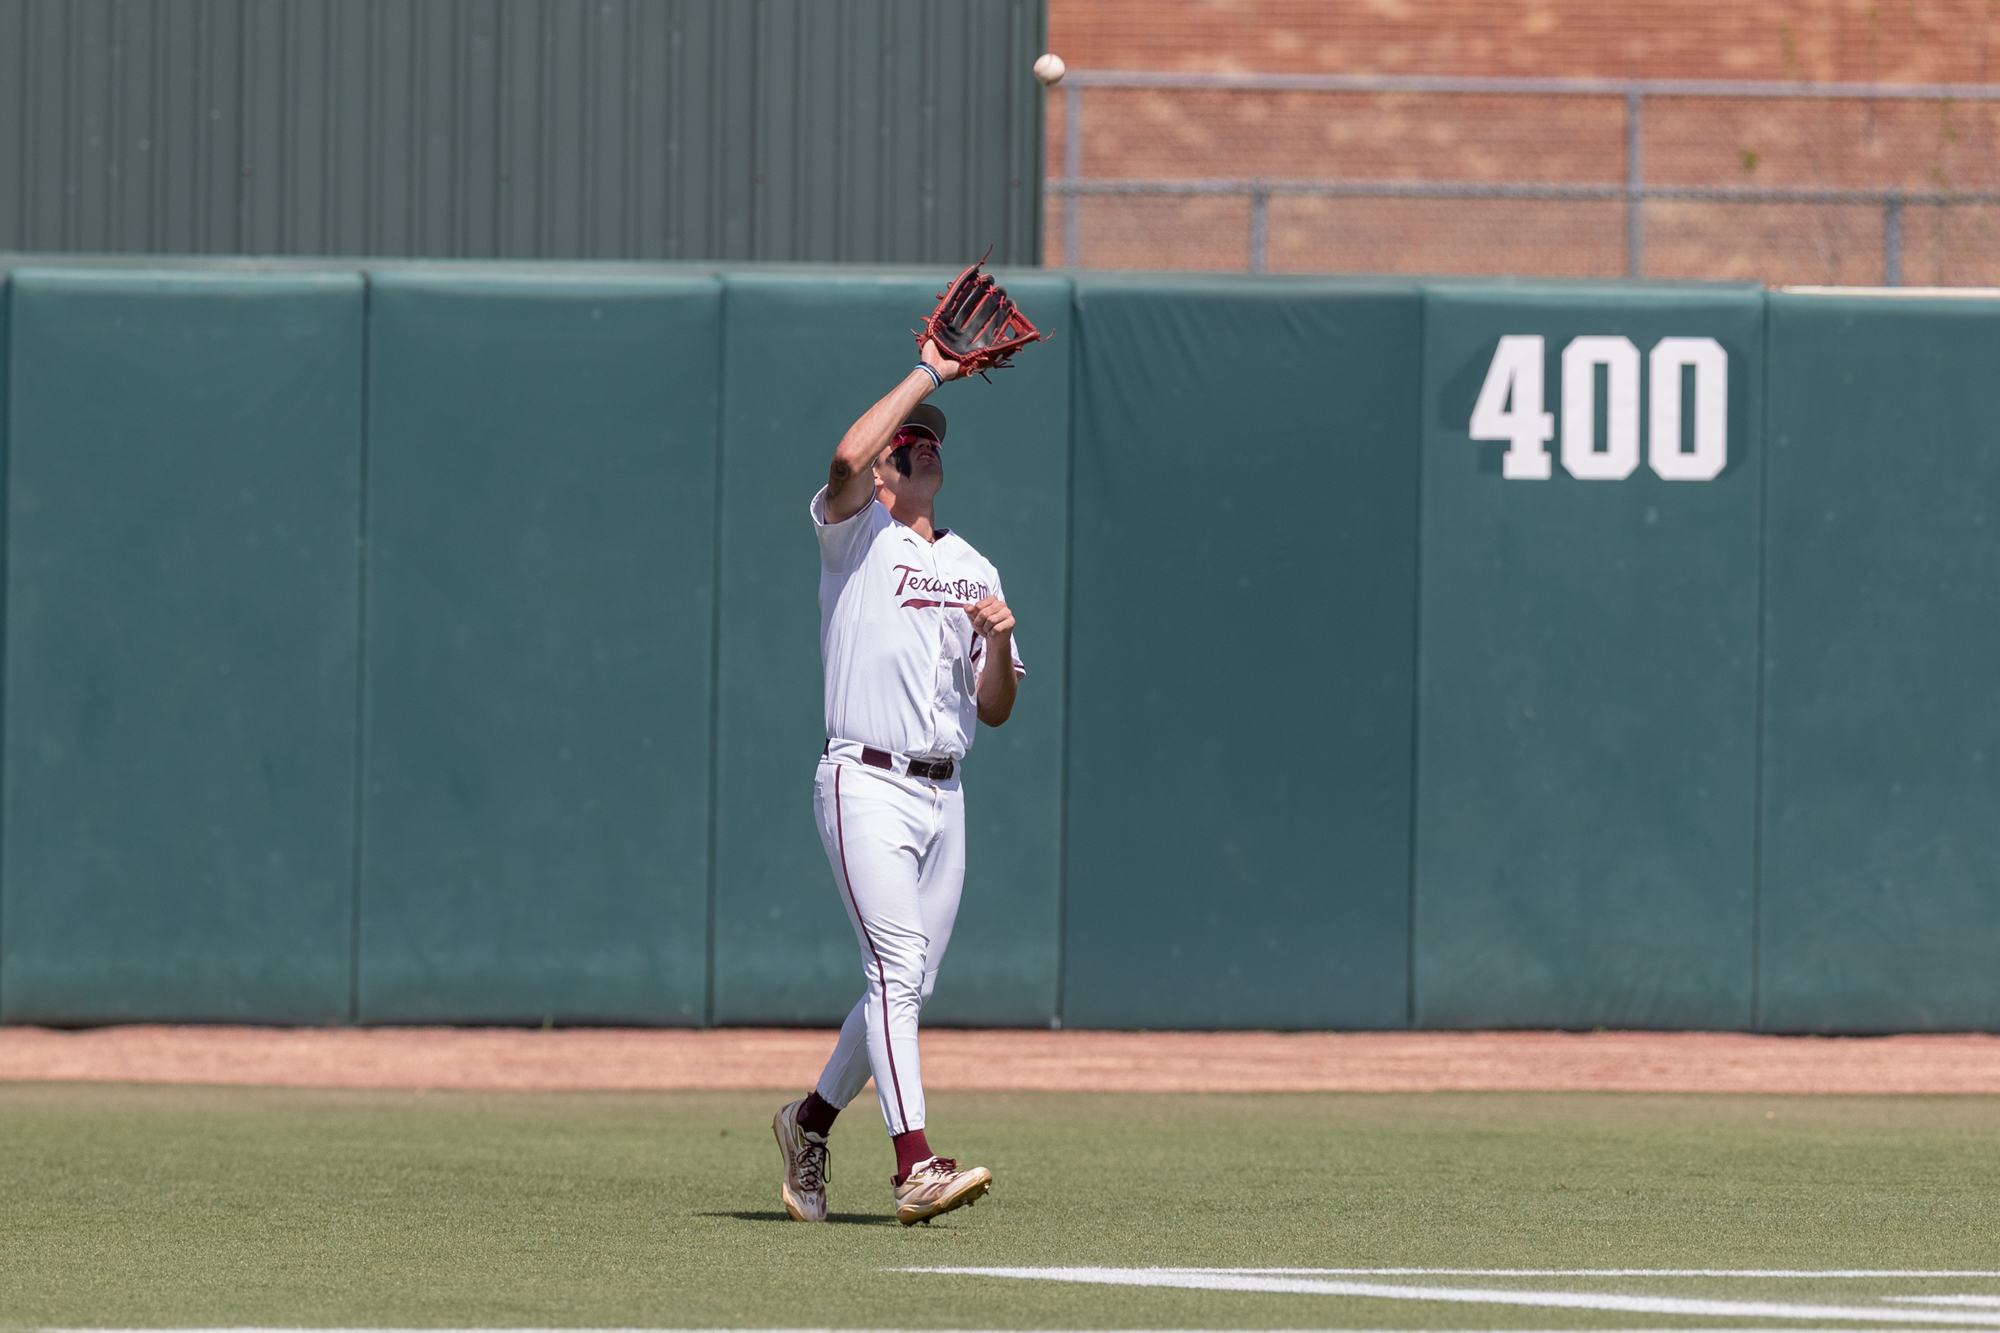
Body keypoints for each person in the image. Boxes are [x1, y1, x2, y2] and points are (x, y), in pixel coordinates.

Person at [771, 336, 1024, 1226]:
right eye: (907, 437)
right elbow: (844, 456)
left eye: (933, 436)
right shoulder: (856, 536)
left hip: (944, 792)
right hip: (864, 781)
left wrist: (995, 641)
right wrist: (930, 372)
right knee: (897, 968)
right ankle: (914, 1163)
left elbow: (993, 707)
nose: (924, 442)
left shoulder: (975, 567)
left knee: (905, 985)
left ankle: (807, 1122)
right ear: (885, 467)